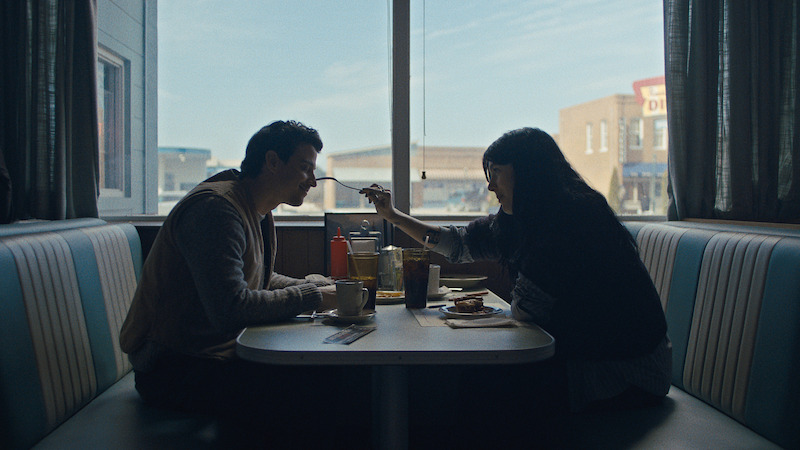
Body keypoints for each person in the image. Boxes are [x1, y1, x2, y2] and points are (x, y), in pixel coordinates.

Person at [363, 127, 671, 443]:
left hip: (629, 370)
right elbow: (461, 243)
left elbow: (524, 312)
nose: (489, 184)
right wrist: (393, 216)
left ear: (527, 173)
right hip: (592, 357)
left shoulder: (571, 220)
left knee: (485, 389)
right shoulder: (528, 215)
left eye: (496, 172)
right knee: (477, 383)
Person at [119, 120, 352, 447]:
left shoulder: (254, 206)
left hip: (209, 358)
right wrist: (312, 295)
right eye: (304, 168)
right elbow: (230, 309)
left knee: (331, 378)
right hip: (172, 369)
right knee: (322, 388)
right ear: (272, 162)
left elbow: (259, 279)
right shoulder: (216, 210)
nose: (313, 181)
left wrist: (313, 286)